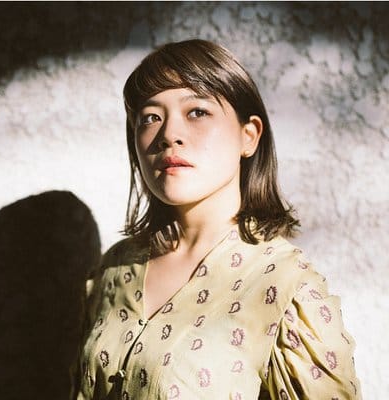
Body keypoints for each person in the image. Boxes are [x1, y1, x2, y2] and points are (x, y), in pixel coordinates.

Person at [77, 39, 361, 399]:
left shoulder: (285, 285)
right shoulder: (114, 269)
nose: (168, 135)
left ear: (248, 136)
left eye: (197, 111)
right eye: (150, 117)